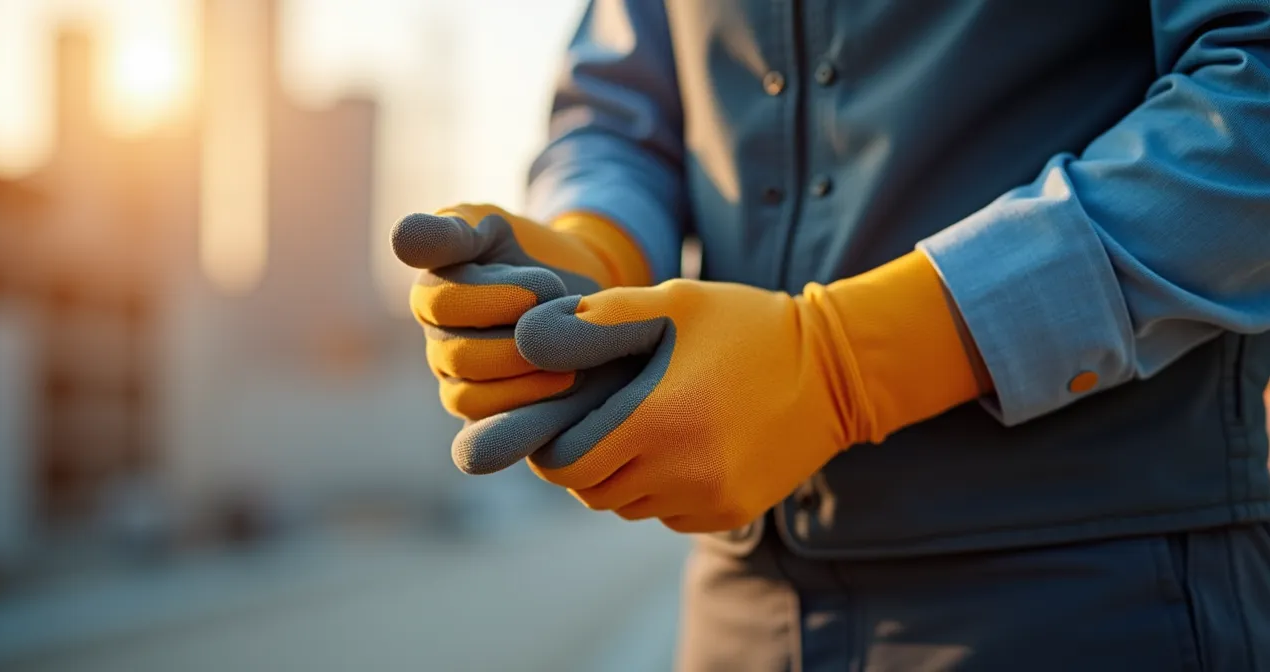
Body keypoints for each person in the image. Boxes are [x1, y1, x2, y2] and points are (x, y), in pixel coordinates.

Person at [392, 1, 1270, 669]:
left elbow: (1250, 98)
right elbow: (620, 109)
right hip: (740, 610)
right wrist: (593, 250)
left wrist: (856, 362)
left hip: (1103, 589)